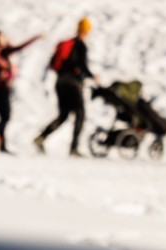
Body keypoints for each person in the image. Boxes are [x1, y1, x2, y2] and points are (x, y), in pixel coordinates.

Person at [34, 17, 100, 157]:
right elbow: (82, 66)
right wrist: (92, 76)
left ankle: (41, 137)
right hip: (72, 84)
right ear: (86, 31)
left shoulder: (67, 44)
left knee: (63, 115)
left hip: (60, 83)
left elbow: (55, 63)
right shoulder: (80, 45)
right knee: (80, 114)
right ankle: (74, 148)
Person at [0, 29, 40, 154]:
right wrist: (34, 38)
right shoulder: (2, 50)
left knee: (3, 117)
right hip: (2, 88)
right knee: (6, 117)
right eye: (1, 36)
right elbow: (19, 48)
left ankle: (1, 144)